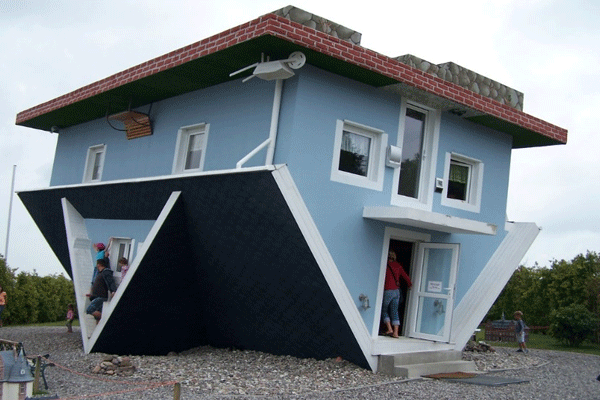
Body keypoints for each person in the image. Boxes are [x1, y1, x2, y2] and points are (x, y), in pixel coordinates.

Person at [382, 250, 412, 338]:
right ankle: (396, 333)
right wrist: (410, 285)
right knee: (394, 311)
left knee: (384, 310)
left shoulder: (385, 265)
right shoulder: (398, 265)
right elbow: (405, 276)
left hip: (387, 290)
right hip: (396, 291)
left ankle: (389, 329)